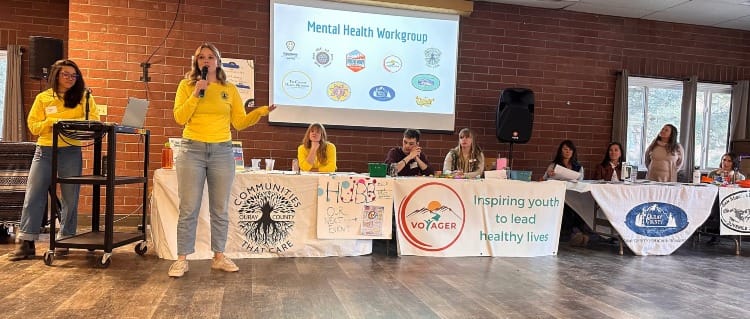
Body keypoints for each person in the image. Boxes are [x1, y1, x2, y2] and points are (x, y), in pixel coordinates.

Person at [169, 43, 276, 277]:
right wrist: (197, 93)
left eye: (210, 57)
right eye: (201, 58)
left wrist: (260, 112)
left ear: (218, 61)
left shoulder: (229, 89)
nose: (206, 61)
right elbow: (180, 117)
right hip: (192, 151)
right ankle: (182, 258)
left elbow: (239, 123)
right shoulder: (187, 86)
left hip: (222, 152)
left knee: (220, 209)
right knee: (188, 208)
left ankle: (218, 256)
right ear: (196, 62)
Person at [8, 59, 100, 261]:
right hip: (45, 151)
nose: (70, 78)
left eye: (74, 75)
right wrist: (52, 122)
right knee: (34, 194)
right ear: (56, 75)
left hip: (70, 151)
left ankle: (65, 239)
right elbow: (34, 126)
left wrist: (66, 124)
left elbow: (93, 120)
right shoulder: (44, 97)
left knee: (70, 197)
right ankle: (26, 242)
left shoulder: (84, 97)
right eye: (65, 74)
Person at [542, 140, 590, 246]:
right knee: (566, 209)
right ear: (560, 151)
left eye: (570, 149)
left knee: (579, 208)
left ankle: (580, 233)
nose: (567, 151)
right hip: (559, 195)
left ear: (573, 152)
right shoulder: (554, 165)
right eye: (565, 149)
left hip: (575, 195)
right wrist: (549, 175)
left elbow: (581, 182)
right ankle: (574, 234)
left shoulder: (578, 167)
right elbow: (544, 179)